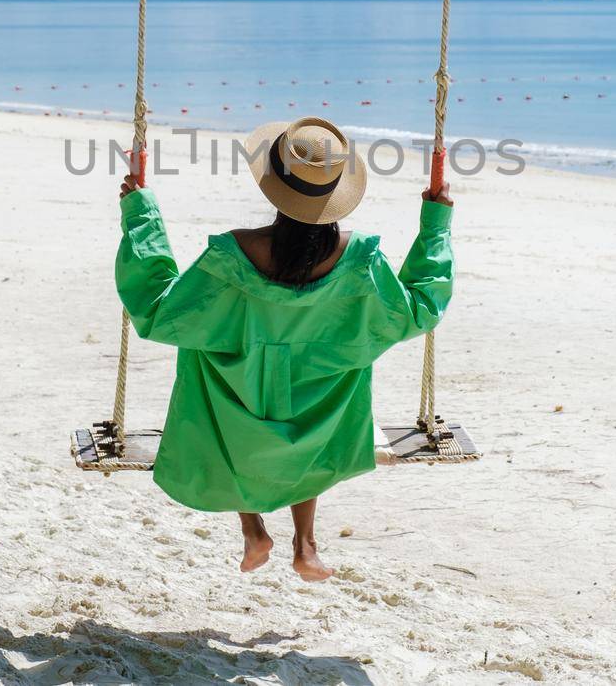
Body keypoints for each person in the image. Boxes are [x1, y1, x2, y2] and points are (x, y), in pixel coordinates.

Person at [115, 116, 454, 581]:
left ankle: (253, 529)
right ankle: (305, 544)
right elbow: (420, 310)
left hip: (236, 409)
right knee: (316, 407)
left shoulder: (232, 257)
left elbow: (157, 310)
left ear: (274, 186)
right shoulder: (360, 262)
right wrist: (436, 222)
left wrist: (140, 213)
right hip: (319, 412)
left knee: (206, 358)